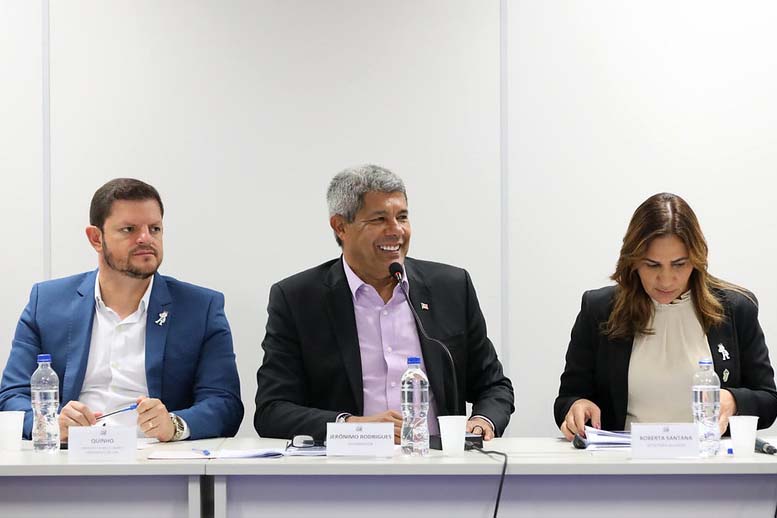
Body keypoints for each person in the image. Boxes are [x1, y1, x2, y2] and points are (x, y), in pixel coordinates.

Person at [255, 164, 514, 442]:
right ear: (340, 226)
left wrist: (482, 420)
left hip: (438, 464)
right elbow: (272, 410)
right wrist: (354, 427)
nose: (396, 230)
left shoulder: (450, 287)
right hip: (343, 471)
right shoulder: (298, 298)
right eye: (379, 220)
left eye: (402, 217)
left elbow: (494, 386)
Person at [0, 178, 243, 442]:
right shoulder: (46, 302)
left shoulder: (200, 307)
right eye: (129, 229)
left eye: (155, 229)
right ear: (96, 238)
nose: (145, 239)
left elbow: (224, 403)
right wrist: (51, 424)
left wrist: (174, 425)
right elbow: (12, 396)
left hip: (159, 461)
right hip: (69, 460)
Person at [555, 192, 777, 440]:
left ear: (697, 260)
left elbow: (768, 399)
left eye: (679, 264)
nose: (666, 280)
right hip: (622, 465)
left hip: (710, 467)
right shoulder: (599, 309)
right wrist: (576, 407)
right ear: (633, 261)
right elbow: (567, 398)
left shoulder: (736, 308)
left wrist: (735, 401)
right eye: (652, 265)